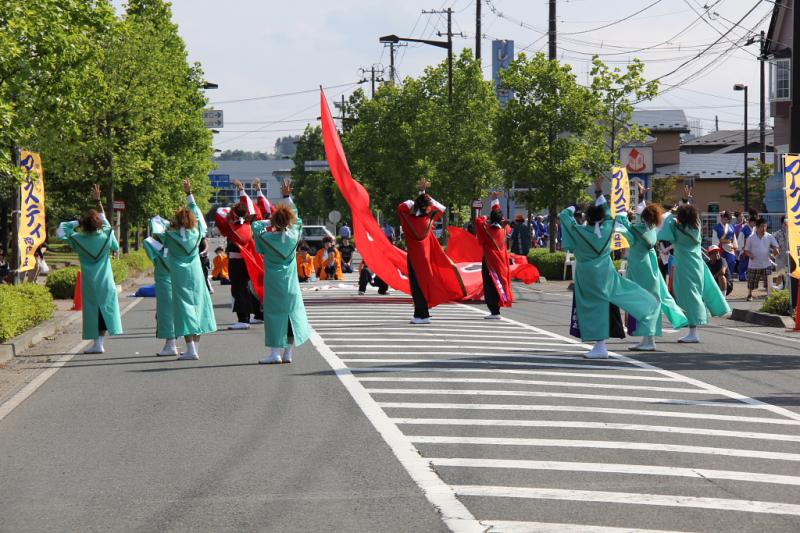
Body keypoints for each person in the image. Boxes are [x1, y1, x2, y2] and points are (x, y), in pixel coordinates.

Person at [559, 177, 659, 359]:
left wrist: (575, 206)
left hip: (586, 274)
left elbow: (564, 216)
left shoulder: (579, 231)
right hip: (606, 272)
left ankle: (600, 345)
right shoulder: (608, 228)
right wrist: (599, 191)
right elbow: (609, 213)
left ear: (587, 218)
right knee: (619, 296)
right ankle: (648, 306)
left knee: (592, 307)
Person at [614, 183, 688, 351]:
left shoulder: (637, 229)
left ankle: (648, 340)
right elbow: (640, 217)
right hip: (650, 266)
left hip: (640, 268)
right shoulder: (652, 229)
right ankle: (648, 339)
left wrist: (624, 214)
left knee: (644, 302)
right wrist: (640, 199)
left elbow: (622, 224)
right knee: (653, 300)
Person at [151, 180, 217, 360]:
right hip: (196, 273)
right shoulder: (198, 232)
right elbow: (199, 217)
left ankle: (190, 350)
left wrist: (167, 223)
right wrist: (189, 194)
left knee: (185, 309)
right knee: (198, 307)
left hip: (179, 276)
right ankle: (195, 347)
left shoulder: (169, 236)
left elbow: (156, 228)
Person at [657, 187, 730, 343]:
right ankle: (694, 328)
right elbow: (692, 215)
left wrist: (673, 210)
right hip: (697, 263)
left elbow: (665, 228)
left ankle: (693, 330)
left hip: (684, 265)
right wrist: (686, 201)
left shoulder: (677, 228)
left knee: (690, 296)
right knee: (699, 292)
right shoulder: (695, 226)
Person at [57, 185, 123, 354]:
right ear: (99, 223)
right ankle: (100, 342)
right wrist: (99, 203)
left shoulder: (78, 239)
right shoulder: (106, 235)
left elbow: (62, 230)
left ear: (85, 225)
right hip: (106, 279)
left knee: (93, 311)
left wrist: (78, 221)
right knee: (105, 310)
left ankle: (97, 344)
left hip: (89, 281)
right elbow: (111, 234)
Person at [252, 179, 310, 364]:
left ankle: (275, 353)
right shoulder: (294, 236)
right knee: (290, 316)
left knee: (274, 316)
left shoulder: (267, 237)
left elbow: (256, 227)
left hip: (274, 282)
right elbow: (297, 220)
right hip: (291, 284)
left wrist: (272, 219)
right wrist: (287, 198)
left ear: (276, 222)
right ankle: (288, 354)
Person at [398, 180, 464, 324]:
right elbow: (441, 208)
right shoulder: (429, 219)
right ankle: (422, 314)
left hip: (414, 258)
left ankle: (421, 315)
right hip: (426, 258)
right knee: (424, 284)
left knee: (416, 286)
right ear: (427, 207)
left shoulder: (407, 218)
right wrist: (425, 193)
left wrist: (420, 194)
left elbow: (402, 206)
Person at [216, 179, 266, 330]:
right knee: (249, 287)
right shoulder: (251, 225)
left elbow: (221, 219)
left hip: (237, 261)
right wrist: (242, 192)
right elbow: (251, 209)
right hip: (250, 259)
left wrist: (241, 192)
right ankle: (258, 314)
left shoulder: (233, 227)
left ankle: (243, 318)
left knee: (239, 288)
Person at [476, 192, 513, 319]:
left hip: (489, 262)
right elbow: (498, 214)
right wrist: (495, 200)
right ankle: (497, 309)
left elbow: (478, 220)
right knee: (499, 284)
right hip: (502, 262)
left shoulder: (487, 230)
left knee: (490, 285)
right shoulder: (505, 229)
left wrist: (486, 217)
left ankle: (494, 311)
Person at [143, 228, 178, 356]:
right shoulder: (177, 249)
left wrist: (157, 236)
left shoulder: (157, 252)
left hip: (164, 285)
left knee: (165, 315)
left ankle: (171, 345)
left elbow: (146, 242)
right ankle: (189, 346)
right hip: (177, 283)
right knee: (175, 314)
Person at [743, 217, 779, 301]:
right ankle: (749, 295)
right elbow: (746, 250)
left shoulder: (769, 236)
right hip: (754, 264)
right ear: (758, 227)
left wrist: (775, 250)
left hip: (766, 263)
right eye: (762, 226)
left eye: (765, 226)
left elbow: (776, 246)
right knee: (752, 281)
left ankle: (769, 295)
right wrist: (751, 255)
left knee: (768, 281)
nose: (764, 228)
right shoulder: (751, 237)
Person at [711, 210, 737, 277]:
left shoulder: (731, 226)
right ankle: (724, 276)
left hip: (729, 247)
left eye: (728, 220)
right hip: (720, 247)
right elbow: (715, 239)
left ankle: (729, 275)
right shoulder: (716, 227)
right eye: (725, 219)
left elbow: (733, 237)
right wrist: (716, 249)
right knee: (722, 263)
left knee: (732, 261)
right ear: (722, 218)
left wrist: (735, 245)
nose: (726, 221)